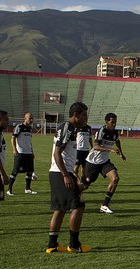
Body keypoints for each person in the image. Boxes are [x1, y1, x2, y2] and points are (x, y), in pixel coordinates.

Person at [46, 102, 90, 254]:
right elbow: (57, 153)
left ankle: (52, 245)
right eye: (84, 115)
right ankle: (74, 244)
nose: (86, 118)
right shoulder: (68, 128)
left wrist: (71, 173)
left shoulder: (71, 128)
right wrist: (66, 175)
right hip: (60, 173)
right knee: (79, 205)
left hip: (58, 172)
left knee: (60, 208)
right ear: (76, 114)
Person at [81, 113, 126, 214]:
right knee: (85, 186)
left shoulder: (115, 133)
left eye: (115, 122)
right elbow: (95, 147)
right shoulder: (102, 131)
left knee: (115, 178)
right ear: (106, 122)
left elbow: (117, 141)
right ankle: (71, 197)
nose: (114, 124)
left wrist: (121, 153)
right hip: (93, 162)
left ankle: (104, 205)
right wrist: (110, 150)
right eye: (112, 122)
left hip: (104, 162)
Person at [7, 112, 37, 196]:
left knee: (30, 171)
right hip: (20, 152)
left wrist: (32, 151)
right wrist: (14, 149)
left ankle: (27, 188)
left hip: (28, 153)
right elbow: (13, 138)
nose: (31, 120)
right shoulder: (19, 127)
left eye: (32, 118)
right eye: (29, 118)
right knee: (15, 171)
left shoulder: (30, 129)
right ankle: (9, 189)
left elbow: (29, 142)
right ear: (25, 118)